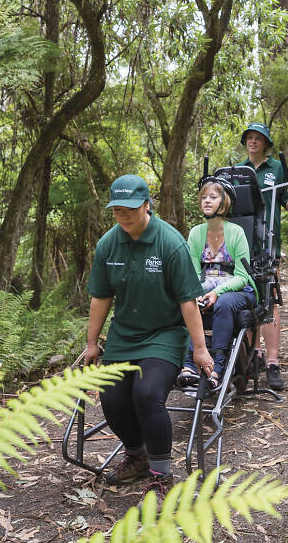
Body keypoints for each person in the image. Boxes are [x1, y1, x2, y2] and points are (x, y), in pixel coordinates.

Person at [83, 174, 214, 495]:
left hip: (164, 335)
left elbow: (187, 300)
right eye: (117, 210)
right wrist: (91, 343)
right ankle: (136, 455)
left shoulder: (170, 243)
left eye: (129, 209)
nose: (123, 216)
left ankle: (161, 472)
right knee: (112, 400)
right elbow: (101, 297)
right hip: (124, 336)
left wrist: (199, 348)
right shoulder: (108, 244)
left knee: (147, 395)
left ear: (146, 204)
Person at [176, 176, 258, 390]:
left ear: (224, 202)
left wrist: (217, 292)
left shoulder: (236, 232)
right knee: (187, 302)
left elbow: (242, 275)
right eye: (204, 197)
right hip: (204, 286)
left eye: (213, 197)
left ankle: (217, 369)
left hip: (238, 288)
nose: (207, 201)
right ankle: (189, 365)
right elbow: (192, 273)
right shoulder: (196, 233)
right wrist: (192, 294)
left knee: (224, 303)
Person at [239, 123, 288, 391]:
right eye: (249, 138)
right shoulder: (239, 170)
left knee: (269, 298)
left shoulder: (276, 168)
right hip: (243, 244)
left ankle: (273, 363)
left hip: (268, 242)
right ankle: (254, 357)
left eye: (258, 139)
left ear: (266, 143)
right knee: (247, 298)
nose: (253, 142)